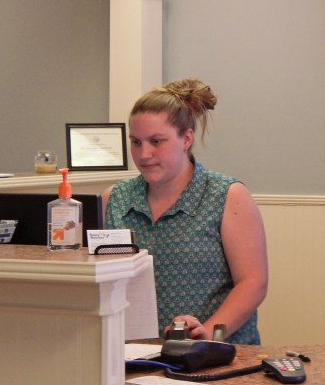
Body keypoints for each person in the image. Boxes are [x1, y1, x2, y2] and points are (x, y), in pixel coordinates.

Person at [103, 78, 268, 344]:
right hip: (135, 354)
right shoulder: (115, 199)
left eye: (157, 141)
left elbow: (253, 283)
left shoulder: (226, 195)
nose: (144, 154)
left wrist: (207, 334)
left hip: (216, 352)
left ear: (186, 139)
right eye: (136, 142)